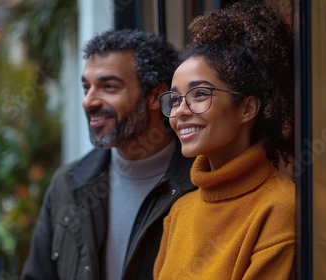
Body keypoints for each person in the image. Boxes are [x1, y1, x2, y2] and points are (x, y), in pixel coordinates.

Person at [22, 29, 196, 280]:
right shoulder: (68, 185)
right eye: (86, 88)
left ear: (156, 96)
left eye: (109, 86)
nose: (89, 101)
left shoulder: (200, 181)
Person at [154, 1, 296, 279]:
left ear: (247, 108)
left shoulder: (280, 207)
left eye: (199, 94)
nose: (181, 110)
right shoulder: (179, 212)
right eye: (174, 98)